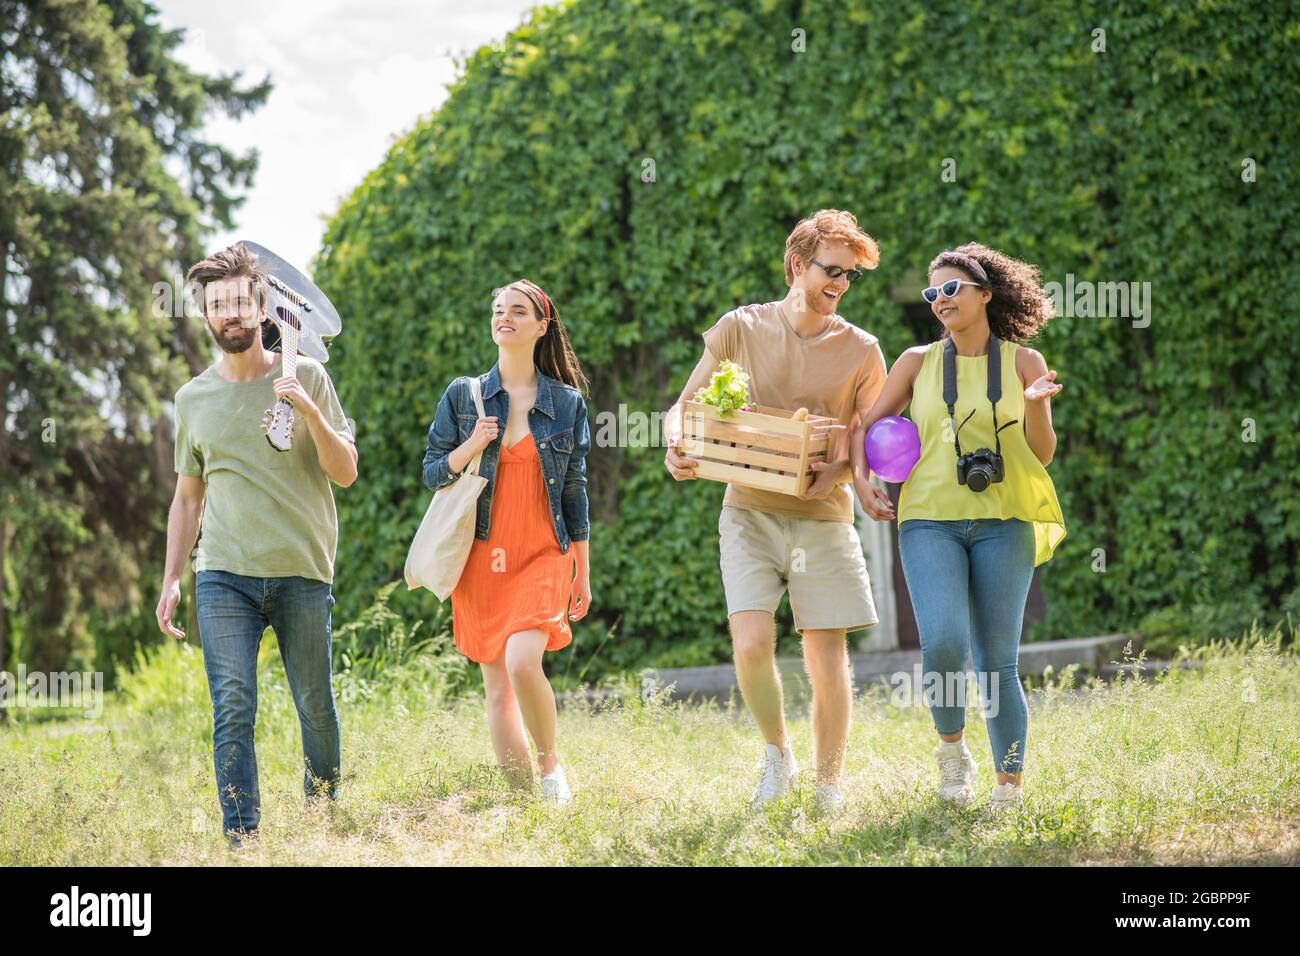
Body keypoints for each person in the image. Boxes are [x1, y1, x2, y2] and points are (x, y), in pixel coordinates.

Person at [664, 209, 887, 815]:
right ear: (797, 265)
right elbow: (682, 407)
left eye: (849, 276)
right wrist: (676, 445)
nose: (839, 285)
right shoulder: (741, 327)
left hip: (822, 516)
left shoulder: (862, 350)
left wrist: (837, 473)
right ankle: (776, 754)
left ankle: (828, 784)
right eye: (831, 271)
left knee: (824, 651)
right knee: (752, 642)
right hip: (749, 510)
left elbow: (869, 438)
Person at [851, 242, 1066, 812]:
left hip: (1004, 521)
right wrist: (861, 481)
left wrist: (1036, 404)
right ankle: (952, 756)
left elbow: (1041, 455)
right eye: (932, 292)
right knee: (943, 643)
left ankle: (1008, 788)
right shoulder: (916, 362)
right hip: (929, 522)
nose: (940, 300)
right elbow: (866, 429)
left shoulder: (1024, 364)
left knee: (998, 660)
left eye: (952, 289)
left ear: (986, 295)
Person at [156, 243, 358, 847]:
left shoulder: (310, 377)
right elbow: (188, 498)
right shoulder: (192, 399)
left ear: (261, 303)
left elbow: (345, 471)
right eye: (217, 307)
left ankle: (323, 815)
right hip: (223, 575)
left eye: (240, 303)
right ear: (206, 314)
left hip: (301, 568)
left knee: (315, 705)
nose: (230, 316)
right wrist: (171, 576)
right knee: (233, 705)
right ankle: (242, 840)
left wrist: (306, 410)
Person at [422, 279, 592, 805]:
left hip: (544, 553)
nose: (505, 318)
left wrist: (582, 570)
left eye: (518, 312)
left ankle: (550, 769)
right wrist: (471, 444)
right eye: (499, 310)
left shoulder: (566, 404)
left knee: (523, 663)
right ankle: (523, 805)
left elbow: (574, 487)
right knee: (497, 689)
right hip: (480, 559)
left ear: (541, 326)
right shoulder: (463, 395)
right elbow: (432, 472)